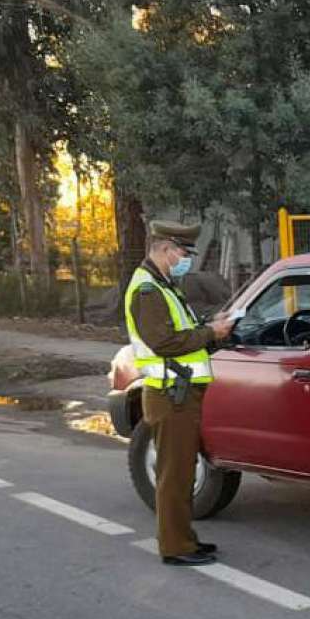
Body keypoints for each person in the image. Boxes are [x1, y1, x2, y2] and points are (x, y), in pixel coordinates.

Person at [124, 221, 234, 566]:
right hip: (170, 394)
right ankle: (175, 547)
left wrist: (210, 326)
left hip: (179, 393)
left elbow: (181, 330)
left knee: (182, 470)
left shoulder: (163, 285)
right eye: (183, 253)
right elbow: (165, 341)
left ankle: (184, 539)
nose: (186, 259)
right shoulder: (147, 290)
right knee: (174, 473)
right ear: (164, 248)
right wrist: (211, 333)